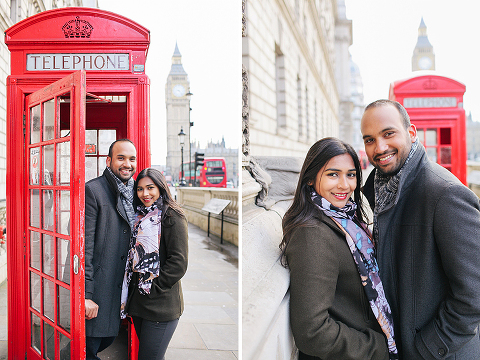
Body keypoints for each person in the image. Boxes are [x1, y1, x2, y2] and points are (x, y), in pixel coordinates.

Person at [361, 99, 480, 359]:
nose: (379, 147)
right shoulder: (380, 190)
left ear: (411, 133)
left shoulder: (445, 194)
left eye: (388, 133)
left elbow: (474, 293)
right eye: (369, 140)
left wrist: (427, 346)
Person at [280, 137, 397, 360]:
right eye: (333, 174)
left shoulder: (347, 220)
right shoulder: (312, 233)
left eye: (350, 175)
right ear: (310, 180)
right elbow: (312, 331)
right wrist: (377, 347)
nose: (345, 185)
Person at [120, 168, 188, 360]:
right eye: (140, 189)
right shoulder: (139, 215)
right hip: (140, 303)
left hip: (161, 305)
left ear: (160, 187)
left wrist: (153, 288)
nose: (145, 194)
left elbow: (178, 263)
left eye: (150, 188)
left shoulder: (172, 216)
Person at [85, 139, 137, 360]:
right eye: (121, 158)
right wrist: (86, 296)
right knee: (90, 347)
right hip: (101, 288)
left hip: (125, 287)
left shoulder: (138, 192)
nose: (127, 163)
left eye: (132, 159)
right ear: (108, 161)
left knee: (109, 337)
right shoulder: (94, 190)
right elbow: (84, 246)